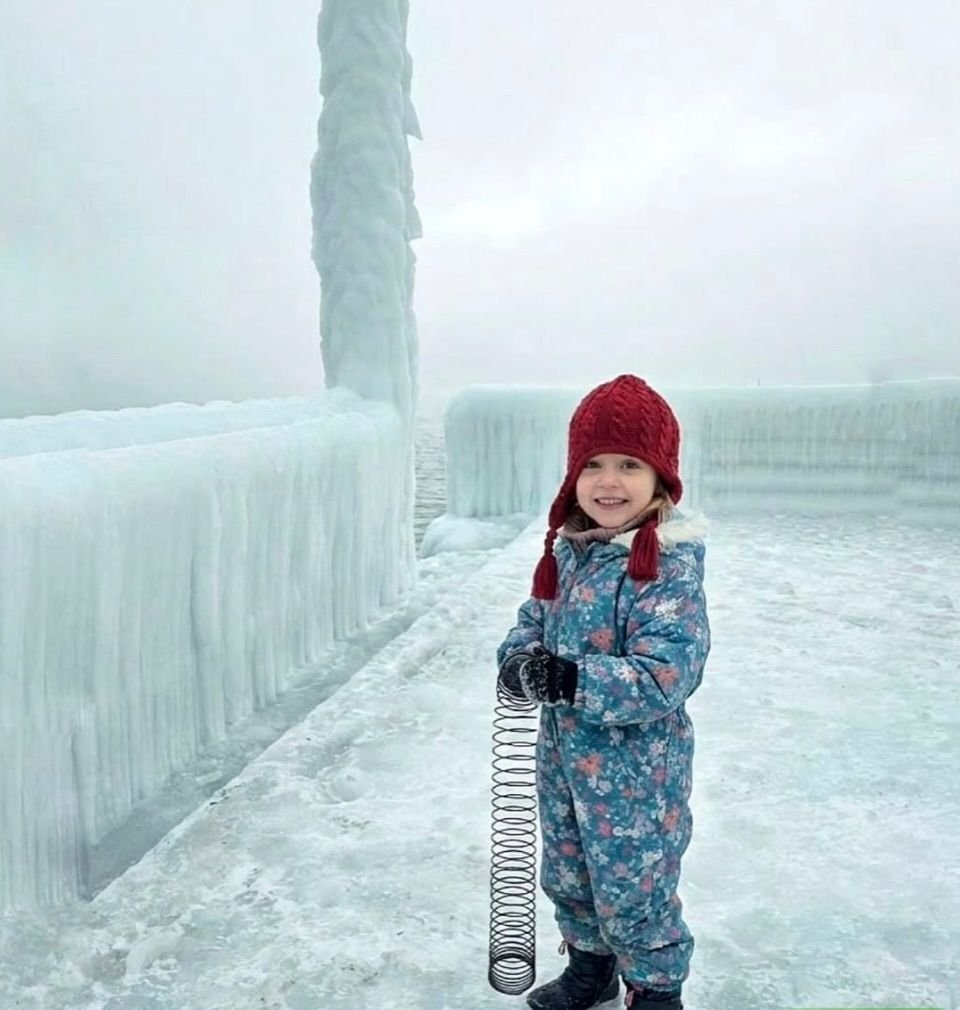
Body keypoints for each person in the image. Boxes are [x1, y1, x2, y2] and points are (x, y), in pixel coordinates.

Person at [496, 374, 710, 1010]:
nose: (607, 481)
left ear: (660, 478)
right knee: (569, 869)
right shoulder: (569, 552)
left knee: (635, 887)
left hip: (637, 776)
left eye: (628, 465)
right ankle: (592, 968)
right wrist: (519, 659)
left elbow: (666, 673)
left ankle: (656, 989)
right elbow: (532, 621)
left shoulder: (666, 565)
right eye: (592, 465)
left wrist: (570, 679)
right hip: (565, 762)